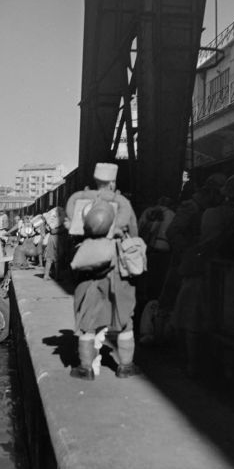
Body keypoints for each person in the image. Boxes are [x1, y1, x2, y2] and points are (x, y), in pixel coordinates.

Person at [173, 172, 234, 377]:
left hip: (202, 269)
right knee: (224, 322)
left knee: (192, 318)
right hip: (227, 273)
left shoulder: (210, 213)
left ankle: (192, 363)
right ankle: (223, 369)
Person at [66, 162, 141, 380]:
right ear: (113, 181)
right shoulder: (122, 202)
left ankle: (85, 368)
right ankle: (125, 366)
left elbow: (71, 229)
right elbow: (134, 232)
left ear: (96, 179)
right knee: (124, 317)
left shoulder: (79, 200)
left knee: (87, 320)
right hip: (116, 269)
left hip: (88, 270)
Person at [143, 173, 225, 346]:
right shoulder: (191, 207)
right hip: (183, 261)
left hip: (195, 262)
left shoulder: (203, 208)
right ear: (211, 192)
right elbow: (173, 232)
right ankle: (159, 338)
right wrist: (189, 250)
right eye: (218, 194)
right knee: (169, 300)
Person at [137, 196, 174, 303]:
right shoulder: (171, 214)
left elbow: (139, 226)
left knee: (145, 274)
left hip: (147, 247)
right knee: (158, 277)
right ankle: (153, 299)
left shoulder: (148, 211)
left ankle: (141, 296)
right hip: (164, 249)